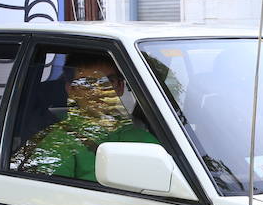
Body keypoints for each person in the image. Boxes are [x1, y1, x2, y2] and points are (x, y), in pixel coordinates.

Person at [11, 54, 157, 182]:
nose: (99, 91)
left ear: (120, 86)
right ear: (71, 90)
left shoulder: (142, 135)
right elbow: (51, 199)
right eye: (87, 84)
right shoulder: (57, 143)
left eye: (108, 81)